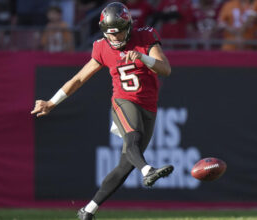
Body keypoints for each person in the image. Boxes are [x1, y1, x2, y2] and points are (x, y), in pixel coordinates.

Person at [30, 2, 173, 220]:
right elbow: (78, 78)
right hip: (123, 100)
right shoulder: (102, 47)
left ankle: (87, 211)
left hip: (149, 105)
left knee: (125, 166)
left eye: (119, 33)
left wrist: (142, 57)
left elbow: (166, 69)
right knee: (133, 136)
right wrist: (51, 102)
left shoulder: (145, 36)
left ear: (129, 26)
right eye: (110, 34)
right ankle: (148, 171)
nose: (115, 39)